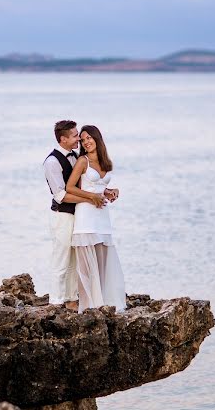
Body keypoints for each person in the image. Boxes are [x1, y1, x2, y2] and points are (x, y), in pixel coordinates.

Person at [43, 120, 110, 310]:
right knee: (61, 258)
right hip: (62, 216)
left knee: (74, 259)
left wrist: (104, 192)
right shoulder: (52, 162)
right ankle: (55, 301)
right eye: (74, 136)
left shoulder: (76, 156)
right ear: (63, 139)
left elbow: (86, 185)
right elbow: (61, 195)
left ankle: (71, 299)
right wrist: (90, 199)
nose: (79, 138)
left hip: (77, 216)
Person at [66, 125, 126, 312]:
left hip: (102, 217)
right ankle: (86, 307)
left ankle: (102, 304)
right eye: (83, 140)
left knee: (102, 263)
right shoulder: (82, 161)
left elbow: (99, 188)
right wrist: (92, 197)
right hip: (86, 216)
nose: (86, 142)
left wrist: (111, 192)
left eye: (89, 138)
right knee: (86, 267)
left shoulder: (106, 161)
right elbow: (70, 187)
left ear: (97, 138)